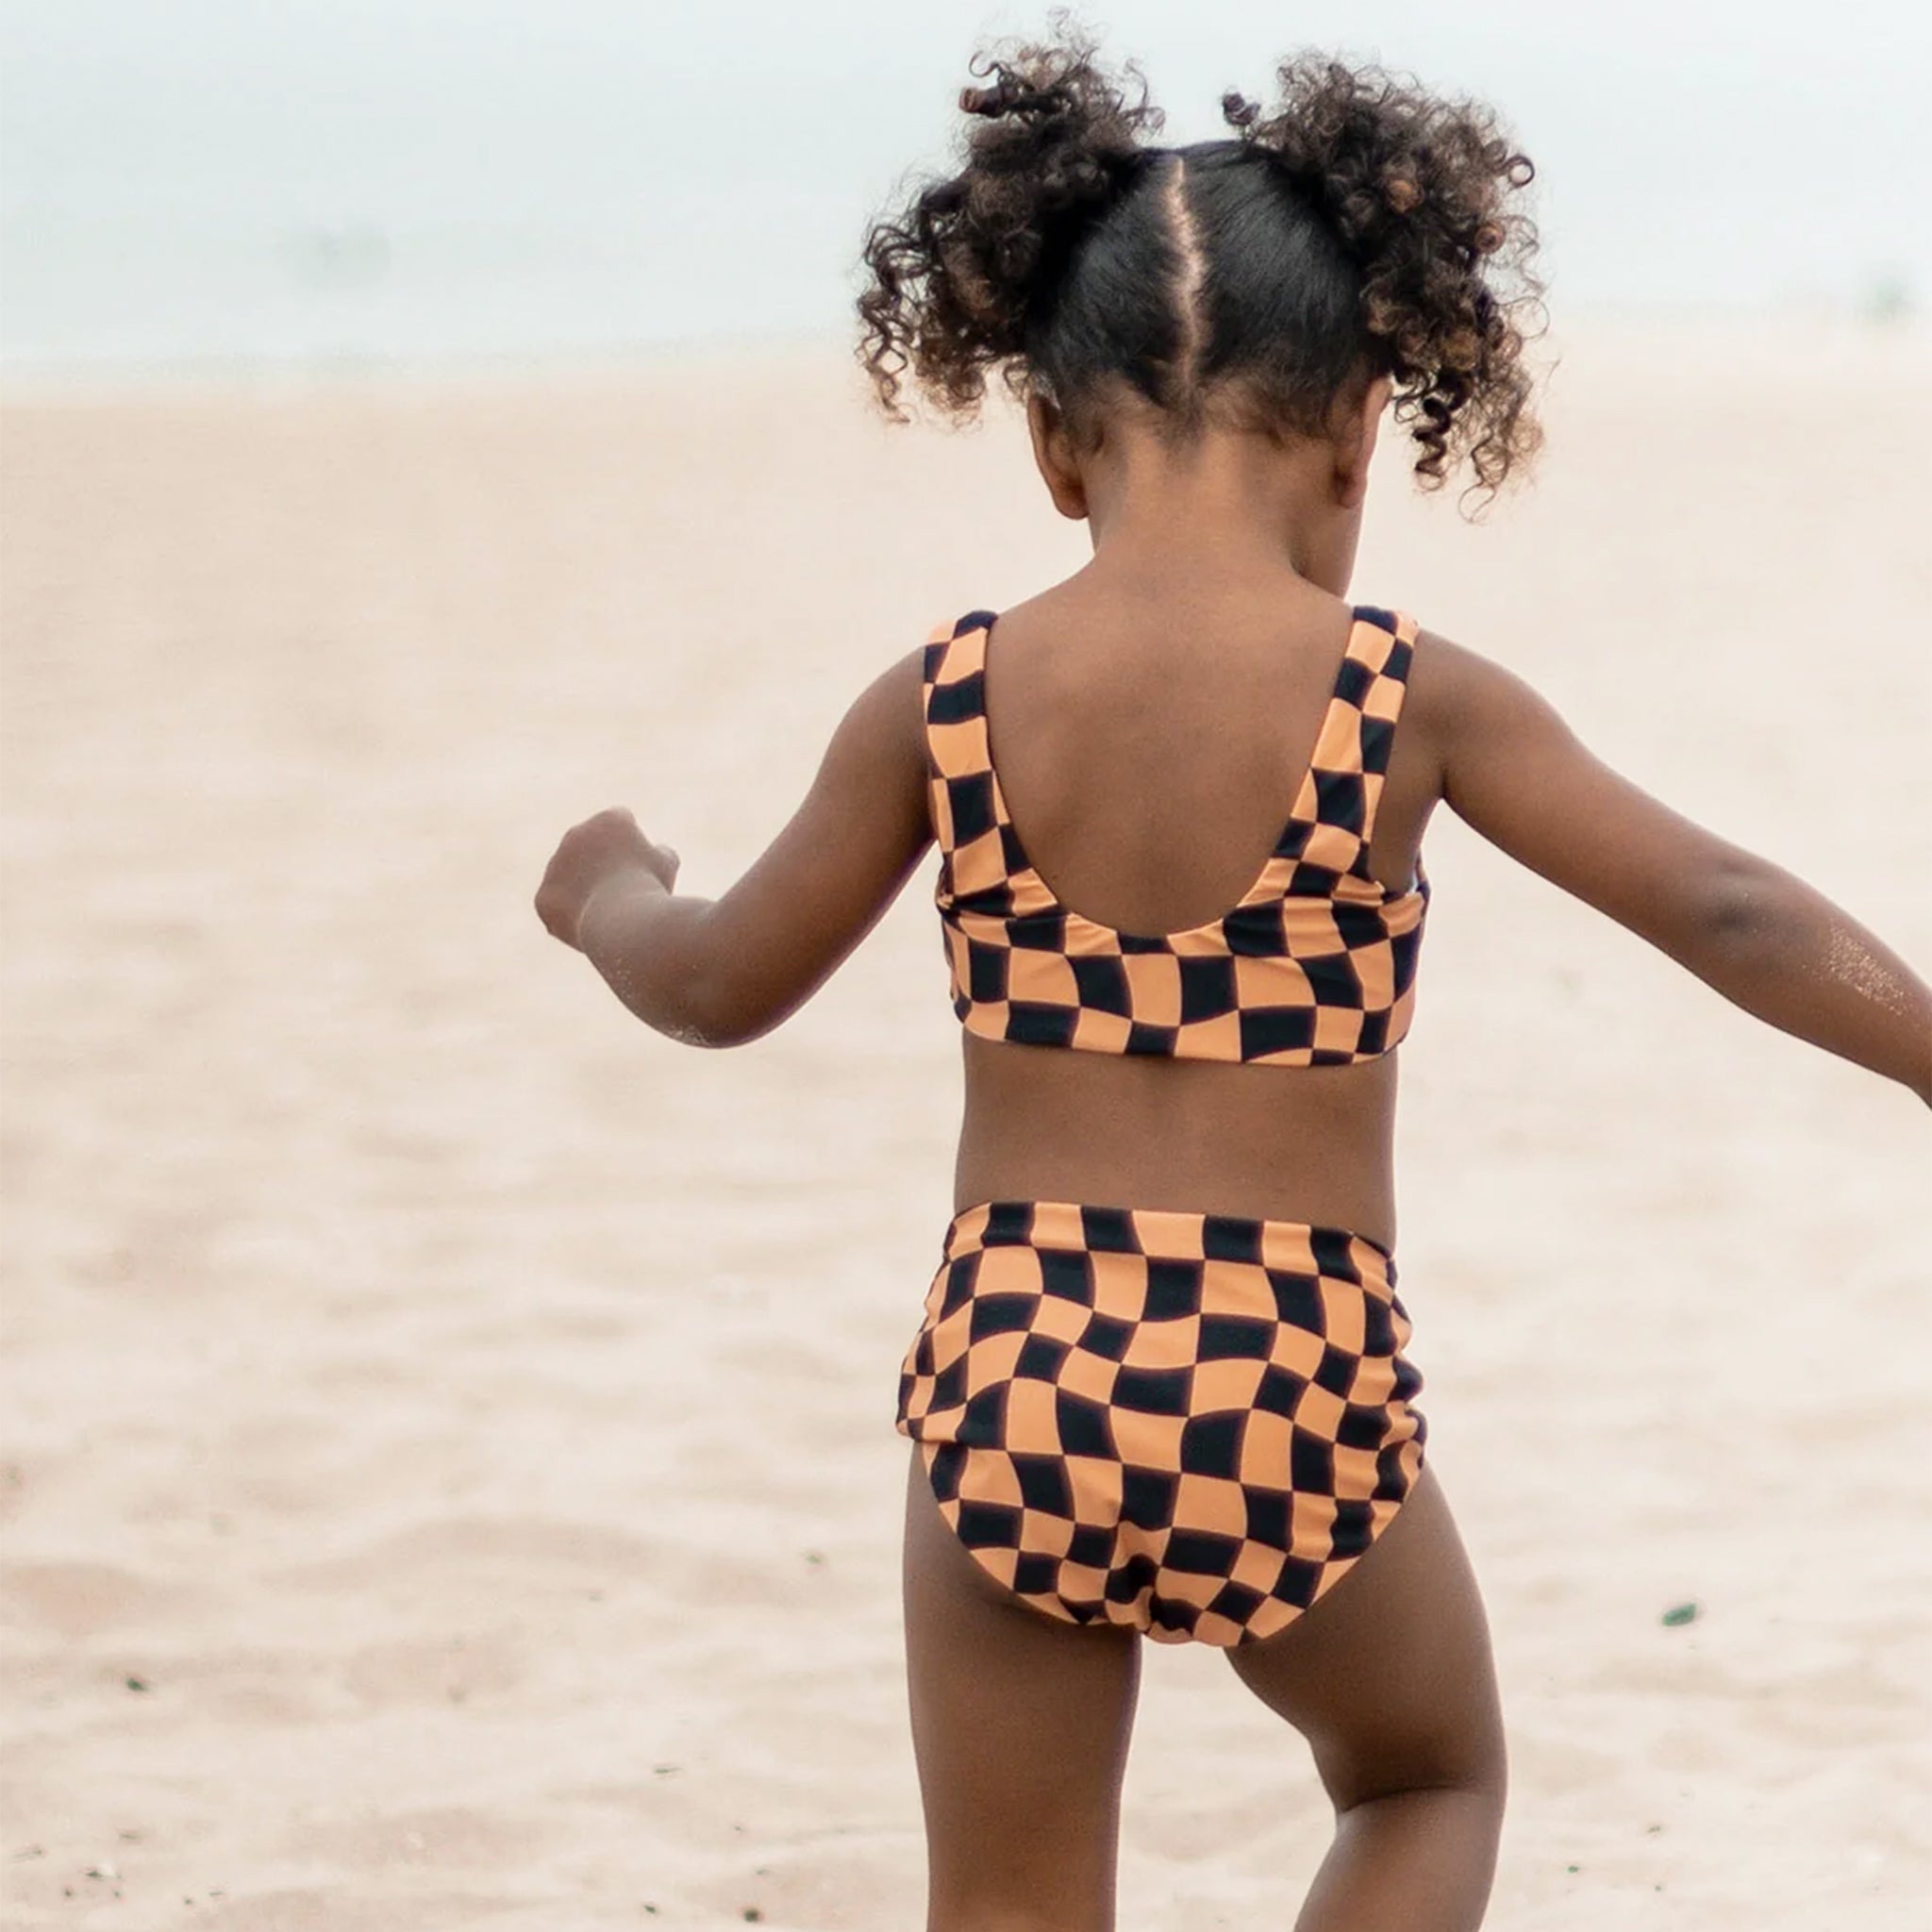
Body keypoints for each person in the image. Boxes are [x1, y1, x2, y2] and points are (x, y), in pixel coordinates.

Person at [533, 29, 1932, 1932]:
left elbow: (712, 987)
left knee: (1012, 1908)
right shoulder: (1406, 700)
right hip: (1285, 1379)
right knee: (1425, 1774)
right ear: (1367, 424)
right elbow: (1729, 910)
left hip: (1014, 1367)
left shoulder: (940, 702)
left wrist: (609, 887)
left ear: (1046, 436)